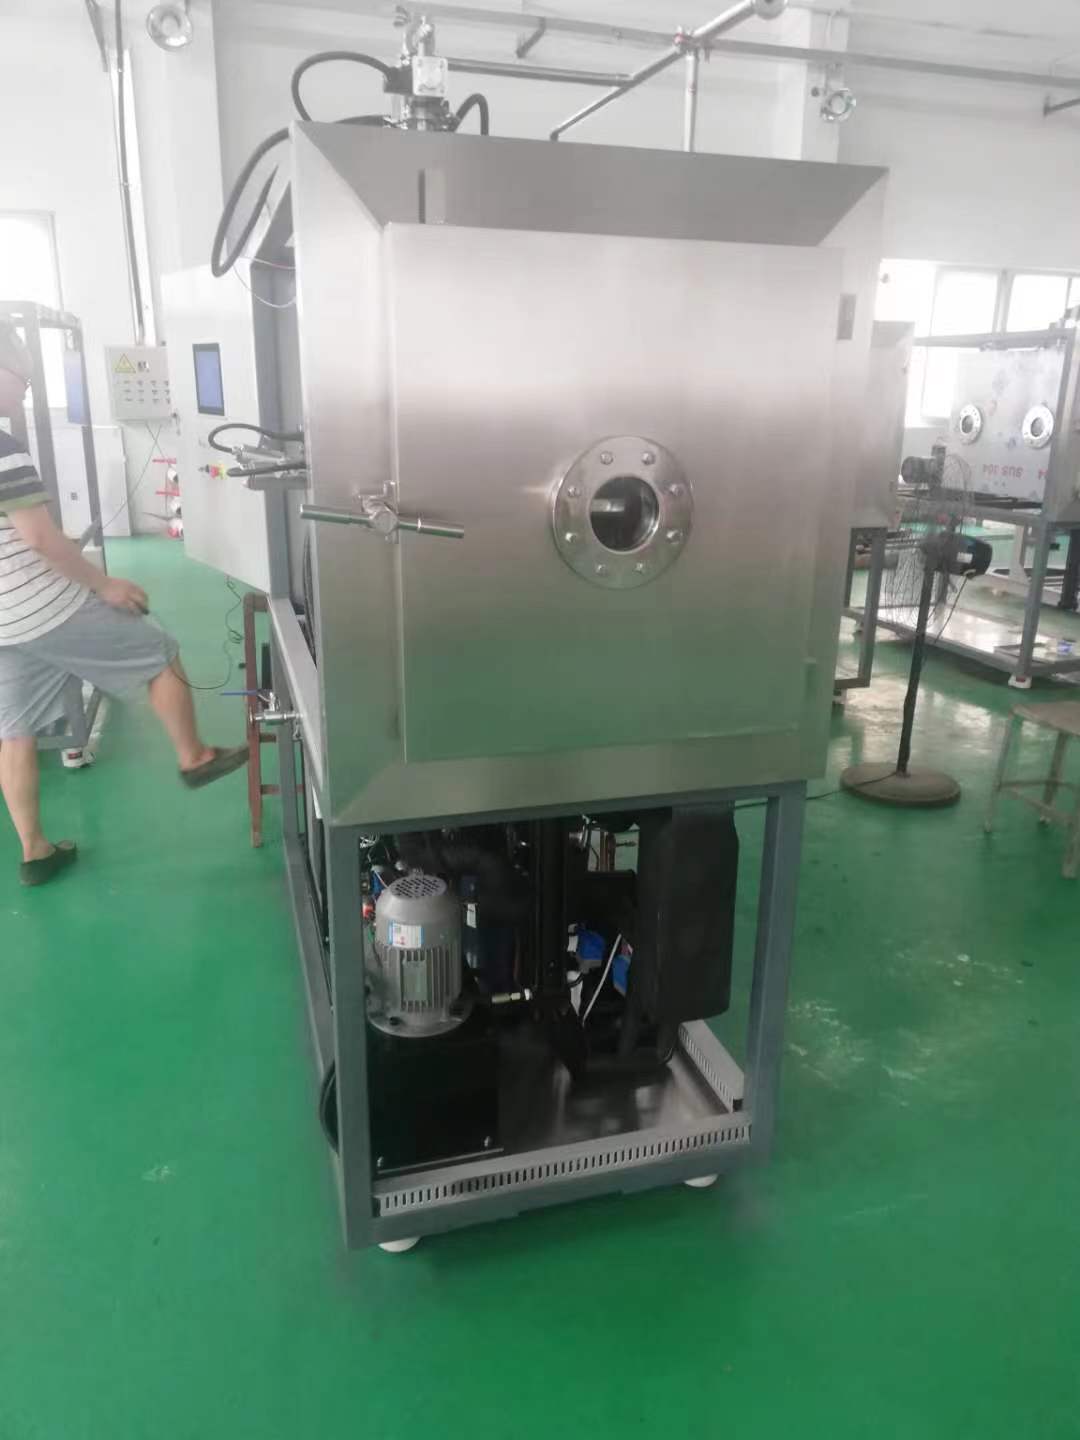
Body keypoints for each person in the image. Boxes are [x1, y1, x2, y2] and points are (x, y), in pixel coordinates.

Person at [0, 321, 246, 886]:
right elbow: (38, 538)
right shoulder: (4, 449)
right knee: (160, 653)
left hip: (3, 623)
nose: (26, 392)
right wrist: (102, 583)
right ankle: (194, 756)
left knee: (14, 732)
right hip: (41, 606)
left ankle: (35, 851)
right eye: (22, 380)